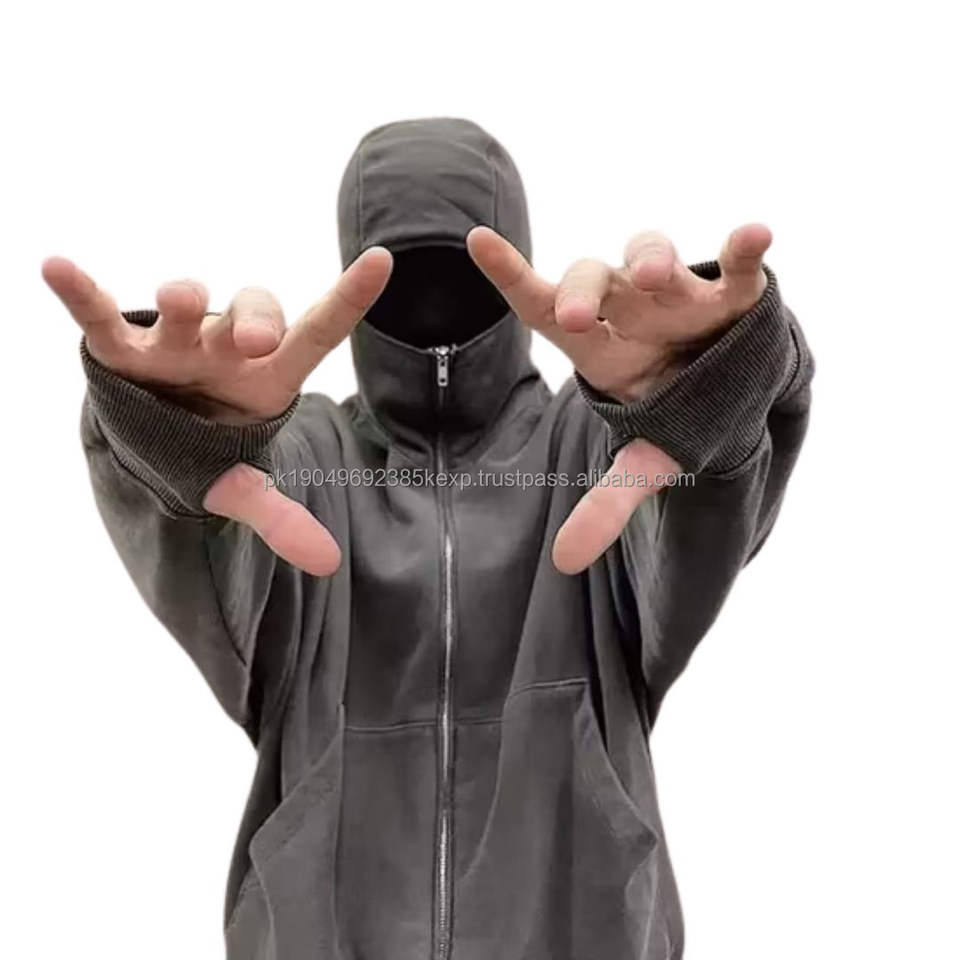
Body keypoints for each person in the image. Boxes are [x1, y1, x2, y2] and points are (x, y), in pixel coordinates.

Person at [42, 116, 815, 960]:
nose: (434, 306)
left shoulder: (590, 449)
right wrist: (183, 428)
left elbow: (721, 466)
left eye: (463, 273)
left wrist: (705, 379)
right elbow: (181, 505)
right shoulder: (307, 460)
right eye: (399, 279)